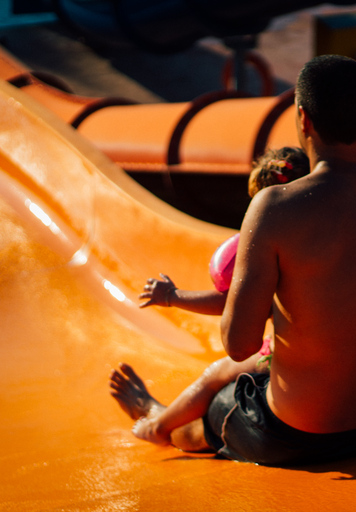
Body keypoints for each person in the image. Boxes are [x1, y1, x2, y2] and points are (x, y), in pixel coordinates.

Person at [111, 55, 356, 465]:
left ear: (303, 119)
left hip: (302, 435)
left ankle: (156, 421)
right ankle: (160, 418)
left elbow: (239, 345)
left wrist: (296, 301)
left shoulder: (276, 208)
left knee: (218, 404)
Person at [109, 147, 308, 450]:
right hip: (337, 367)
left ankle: (157, 424)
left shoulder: (272, 247)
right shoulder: (327, 237)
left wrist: (173, 297)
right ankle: (159, 417)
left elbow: (233, 306)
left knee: (214, 375)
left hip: (285, 360)